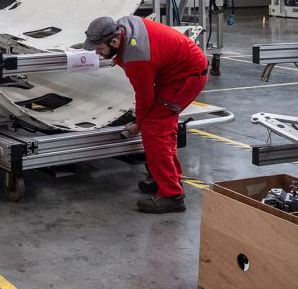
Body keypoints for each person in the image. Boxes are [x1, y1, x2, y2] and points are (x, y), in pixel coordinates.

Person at [82, 15, 209, 214]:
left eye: (100, 49)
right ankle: (167, 179)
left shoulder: (137, 56)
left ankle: (172, 196)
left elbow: (145, 97)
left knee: (154, 130)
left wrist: (138, 124)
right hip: (176, 73)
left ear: (114, 41)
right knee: (163, 129)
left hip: (185, 78)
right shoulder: (125, 27)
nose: (98, 54)